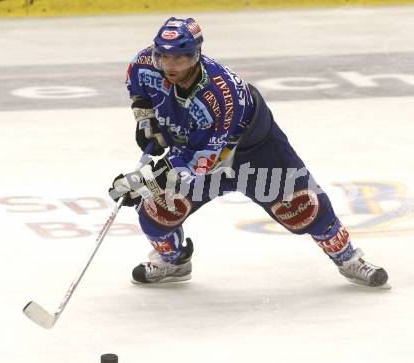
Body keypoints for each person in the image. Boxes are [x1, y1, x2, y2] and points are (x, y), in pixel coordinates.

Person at [109, 17, 389, 288]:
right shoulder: (145, 62)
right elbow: (138, 88)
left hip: (254, 154)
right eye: (163, 57)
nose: (169, 65)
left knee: (302, 207)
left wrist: (142, 182)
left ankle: (348, 258)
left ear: (196, 55)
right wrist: (146, 120)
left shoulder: (219, 94)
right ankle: (173, 262)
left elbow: (200, 162)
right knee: (158, 210)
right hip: (196, 152)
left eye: (179, 59)